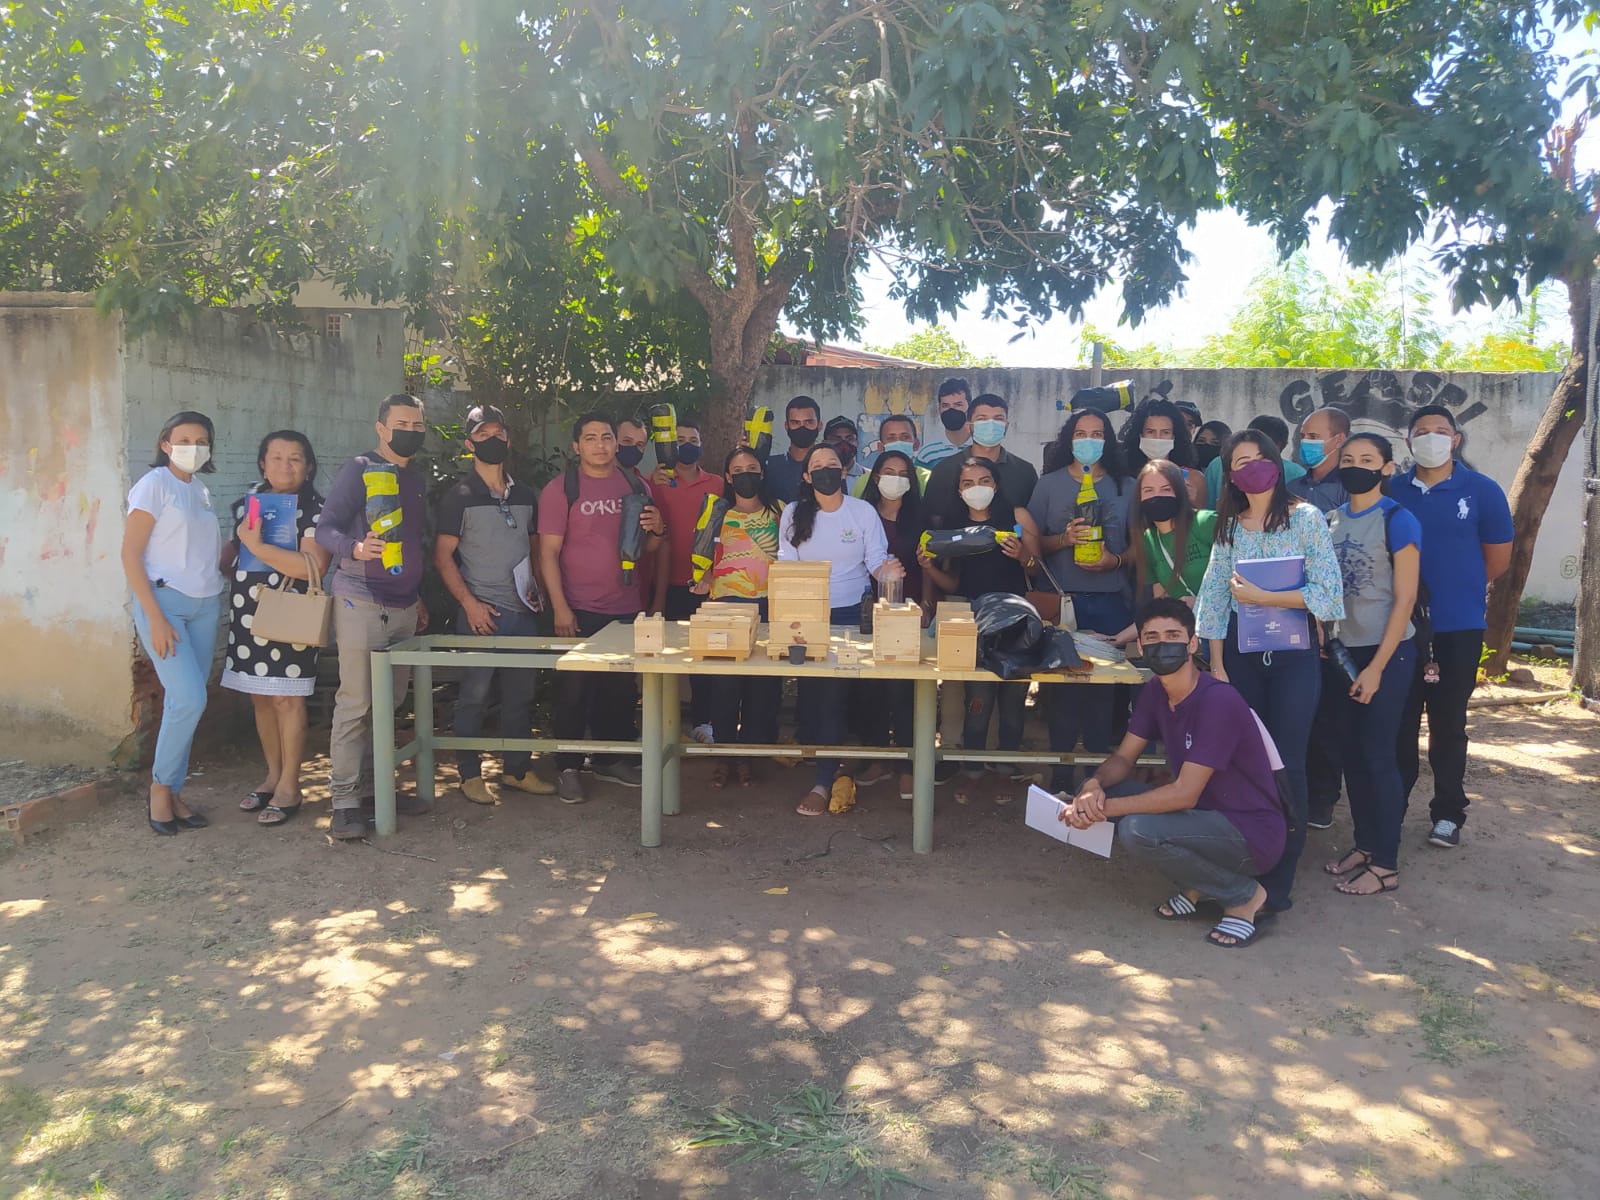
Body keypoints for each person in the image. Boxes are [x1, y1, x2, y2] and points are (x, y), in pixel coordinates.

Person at [1060, 598, 1287, 949]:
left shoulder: (1218, 701)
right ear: (1140, 646)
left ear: (1193, 643)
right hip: (1204, 818)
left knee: (1139, 830)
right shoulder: (1155, 691)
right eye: (1151, 637)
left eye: (1172, 635)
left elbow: (1184, 794)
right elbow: (1123, 758)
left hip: (1250, 831)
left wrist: (1100, 809)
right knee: (1105, 790)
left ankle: (1244, 896)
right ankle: (1199, 886)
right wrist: (1093, 786)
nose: (1162, 644)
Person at [1194, 430, 1345, 915]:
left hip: (1294, 659)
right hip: (1239, 658)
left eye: (1260, 457)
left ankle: (1281, 876)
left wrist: (1266, 598)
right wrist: (1216, 665)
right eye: (1242, 461)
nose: (1253, 466)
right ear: (1231, 474)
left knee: (1289, 762)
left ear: (1276, 464)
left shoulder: (1305, 518)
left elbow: (1328, 593)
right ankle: (1245, 860)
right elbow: (1214, 596)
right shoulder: (1229, 526)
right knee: (1243, 759)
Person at [1390, 404, 1513, 849]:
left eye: (1441, 431)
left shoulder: (1482, 490)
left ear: (1456, 439)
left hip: (1457, 627)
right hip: (1399, 629)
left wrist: (1457, 588)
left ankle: (1447, 812)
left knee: (1447, 723)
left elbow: (1496, 559)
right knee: (1399, 722)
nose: (1431, 438)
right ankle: (1392, 807)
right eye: (1421, 431)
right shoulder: (1391, 490)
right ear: (1408, 441)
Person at [316, 393, 432, 839]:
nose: (411, 431)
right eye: (402, 423)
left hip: (404, 604)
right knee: (356, 703)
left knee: (388, 703)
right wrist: (356, 549)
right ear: (381, 428)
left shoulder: (415, 477)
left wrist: (417, 595)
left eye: (418, 426)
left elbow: (413, 540)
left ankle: (373, 790)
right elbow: (326, 527)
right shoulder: (359, 469)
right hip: (360, 599)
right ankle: (344, 802)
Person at [538, 413, 666, 804]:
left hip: (625, 606)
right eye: (590, 438)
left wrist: (658, 528)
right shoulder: (561, 490)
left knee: (619, 688)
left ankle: (611, 760)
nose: (600, 445)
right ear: (577, 446)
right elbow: (547, 553)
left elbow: (650, 549)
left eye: (607, 437)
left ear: (616, 443)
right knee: (573, 691)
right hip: (577, 608)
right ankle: (569, 768)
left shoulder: (635, 484)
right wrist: (560, 608)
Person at [434, 405, 554, 807]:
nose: (492, 441)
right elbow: (442, 557)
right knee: (474, 696)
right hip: (480, 617)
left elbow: (535, 548)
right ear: (469, 443)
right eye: (482, 435)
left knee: (521, 696)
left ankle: (517, 770)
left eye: (498, 433)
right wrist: (469, 605)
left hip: (523, 613)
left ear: (509, 439)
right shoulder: (459, 497)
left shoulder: (525, 495)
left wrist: (538, 588)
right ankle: (469, 774)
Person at [1321, 433, 1422, 894]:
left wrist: (1378, 667)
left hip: (1388, 651)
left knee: (1379, 754)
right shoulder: (1329, 520)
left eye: (1367, 459)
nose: (1355, 466)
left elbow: (1405, 599)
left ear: (1386, 468)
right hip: (1342, 652)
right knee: (1352, 754)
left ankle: (1386, 864)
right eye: (1348, 459)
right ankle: (1364, 844)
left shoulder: (1398, 520)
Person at [777, 444, 901, 816]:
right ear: (806, 476)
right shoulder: (794, 513)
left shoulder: (862, 512)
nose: (826, 470)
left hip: (853, 616)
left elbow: (877, 561)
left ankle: (836, 773)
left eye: (832, 464)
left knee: (844, 697)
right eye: (818, 466)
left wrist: (890, 575)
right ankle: (826, 771)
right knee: (819, 700)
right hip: (808, 617)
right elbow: (787, 565)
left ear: (844, 472)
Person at [121, 410, 226, 836]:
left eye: (202, 441)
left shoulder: (199, 490)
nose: (193, 448)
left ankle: (175, 791)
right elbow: (130, 555)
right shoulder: (153, 486)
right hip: (165, 605)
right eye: (184, 440)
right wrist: (155, 617)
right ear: (165, 443)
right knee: (189, 700)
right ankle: (160, 790)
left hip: (205, 605)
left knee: (187, 701)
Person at [222, 430, 332, 826]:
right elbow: (233, 552)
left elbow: (312, 566)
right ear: (262, 463)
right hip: (247, 612)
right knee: (261, 699)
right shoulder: (248, 503)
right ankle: (271, 775)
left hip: (290, 613)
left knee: (288, 700)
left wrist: (259, 547)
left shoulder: (317, 509)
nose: (285, 466)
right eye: (277, 457)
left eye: (295, 458)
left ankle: (290, 785)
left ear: (309, 466)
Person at [1027, 408, 1133, 791]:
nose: (1089, 439)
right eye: (1081, 432)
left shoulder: (1127, 486)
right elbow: (1035, 545)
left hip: (1110, 601)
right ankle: (1059, 775)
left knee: (1103, 693)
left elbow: (1142, 548)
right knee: (1063, 691)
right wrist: (1063, 540)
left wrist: (1114, 560)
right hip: (1063, 601)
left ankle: (1094, 779)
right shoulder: (1049, 485)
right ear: (1069, 439)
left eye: (1097, 432)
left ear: (1108, 439)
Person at [919, 457, 1042, 777]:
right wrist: (929, 567)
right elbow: (954, 584)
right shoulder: (953, 530)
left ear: (996, 484)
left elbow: (1037, 569)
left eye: (984, 481)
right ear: (959, 491)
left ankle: (1005, 769)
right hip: (975, 623)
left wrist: (1022, 555)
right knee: (978, 698)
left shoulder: (1016, 517)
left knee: (1014, 699)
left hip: (1016, 620)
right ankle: (971, 772)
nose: (977, 488)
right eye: (968, 483)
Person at [698, 447, 785, 788]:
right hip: (724, 607)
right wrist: (702, 577)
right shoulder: (716, 512)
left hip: (770, 606)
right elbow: (701, 553)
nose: (746, 474)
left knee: (761, 687)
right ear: (728, 477)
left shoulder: (780, 512)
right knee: (724, 687)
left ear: (761, 474)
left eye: (753, 468)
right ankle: (723, 756)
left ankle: (748, 755)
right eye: (738, 469)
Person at [854, 450, 927, 797]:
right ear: (875, 477)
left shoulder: (920, 517)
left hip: (909, 611)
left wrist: (927, 605)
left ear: (911, 481)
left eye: (902, 473)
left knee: (904, 689)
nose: (894, 479)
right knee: (871, 687)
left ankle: (908, 764)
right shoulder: (862, 515)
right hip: (868, 611)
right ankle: (879, 756)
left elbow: (929, 565)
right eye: (887, 471)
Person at [651, 416, 724, 742]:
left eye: (693, 439)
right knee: (664, 658)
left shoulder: (718, 484)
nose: (687, 445)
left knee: (705, 659)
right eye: (680, 439)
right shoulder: (655, 483)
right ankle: (661, 725)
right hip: (663, 582)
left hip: (705, 586)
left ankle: (702, 722)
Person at [1120, 459, 1217, 629]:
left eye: (1166, 489)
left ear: (1180, 492)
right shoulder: (1148, 541)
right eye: (1148, 490)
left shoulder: (1205, 522)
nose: (1157, 496)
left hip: (1227, 629)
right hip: (1193, 635)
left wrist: (1202, 602)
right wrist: (1116, 639)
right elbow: (1162, 606)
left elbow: (1240, 578)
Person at [923, 393, 1038, 531]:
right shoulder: (945, 470)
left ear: (1006, 426)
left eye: (998, 419)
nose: (990, 424)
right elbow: (933, 519)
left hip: (1011, 550)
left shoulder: (1024, 471)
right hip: (957, 550)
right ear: (969, 426)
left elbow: (1033, 525)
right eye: (982, 419)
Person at [1118, 394, 1207, 508]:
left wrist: (1191, 503)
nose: (1158, 438)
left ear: (1174, 437)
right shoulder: (1123, 478)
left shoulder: (1194, 479)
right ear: (1140, 435)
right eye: (1151, 432)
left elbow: (1201, 522)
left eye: (1165, 432)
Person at [1203, 414, 1306, 505]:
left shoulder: (1218, 464)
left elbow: (1207, 505)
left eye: (1263, 458)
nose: (1255, 467)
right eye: (1244, 462)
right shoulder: (1297, 472)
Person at [1287, 408, 1351, 514]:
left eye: (1313, 436)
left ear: (1339, 439)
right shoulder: (1292, 488)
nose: (1304, 442)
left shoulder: (1349, 488)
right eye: (1302, 436)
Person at [852, 413, 929, 495]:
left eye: (905, 437)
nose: (898, 442)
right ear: (880, 447)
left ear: (916, 444)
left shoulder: (928, 480)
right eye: (891, 438)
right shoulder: (864, 482)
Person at [765, 395, 822, 502]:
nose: (802, 427)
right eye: (796, 422)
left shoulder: (828, 467)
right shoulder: (768, 467)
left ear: (819, 425)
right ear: (786, 426)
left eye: (808, 422)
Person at [914, 377, 972, 469]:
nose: (951, 410)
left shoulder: (980, 449)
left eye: (958, 405)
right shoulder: (927, 454)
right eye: (945, 406)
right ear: (939, 410)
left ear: (970, 408)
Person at [823, 415, 868, 491]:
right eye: (836, 439)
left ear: (857, 442)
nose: (843, 443)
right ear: (825, 443)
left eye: (850, 438)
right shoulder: (817, 477)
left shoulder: (869, 477)